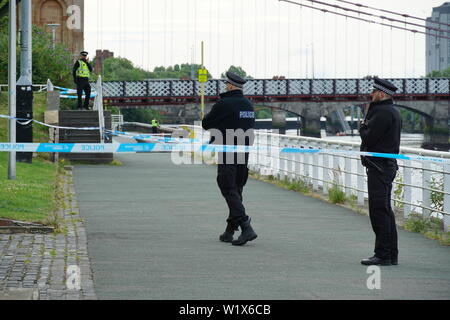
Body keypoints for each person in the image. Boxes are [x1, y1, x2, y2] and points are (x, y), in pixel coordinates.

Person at [202, 72, 257, 246]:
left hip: (227, 151)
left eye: (226, 84)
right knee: (237, 189)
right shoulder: (248, 105)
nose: (225, 86)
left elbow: (205, 124)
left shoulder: (224, 104)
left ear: (231, 86)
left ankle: (246, 227)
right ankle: (230, 231)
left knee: (227, 187)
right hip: (244, 151)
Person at [359, 77, 402, 266]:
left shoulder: (382, 112)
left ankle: (382, 254)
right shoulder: (392, 111)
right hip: (386, 166)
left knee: (378, 211)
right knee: (385, 210)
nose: (371, 94)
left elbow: (369, 136)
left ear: (381, 94)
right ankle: (391, 254)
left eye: (374, 92)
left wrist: (362, 125)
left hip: (379, 167)